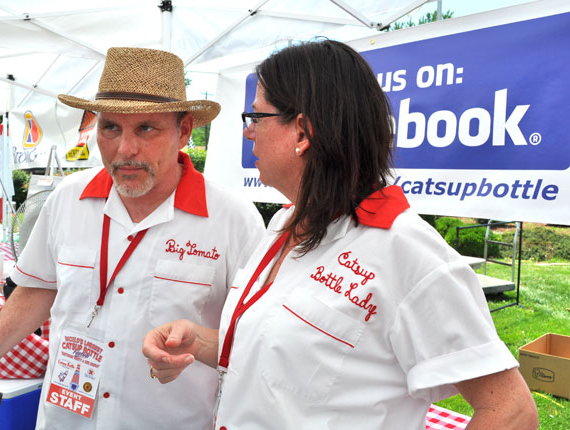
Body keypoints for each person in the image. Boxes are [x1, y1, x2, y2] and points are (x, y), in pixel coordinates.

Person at [142, 40, 539, 429]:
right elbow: (274, 353)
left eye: (256, 117)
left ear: (302, 132)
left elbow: (512, 412)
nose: (249, 134)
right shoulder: (285, 223)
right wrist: (196, 341)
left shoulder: (405, 251)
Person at [0, 47, 265, 430]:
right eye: (110, 127)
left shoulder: (233, 219)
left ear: (184, 131)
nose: (124, 149)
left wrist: (198, 343)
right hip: (66, 420)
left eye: (146, 128)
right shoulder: (67, 198)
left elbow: (256, 337)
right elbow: (37, 288)